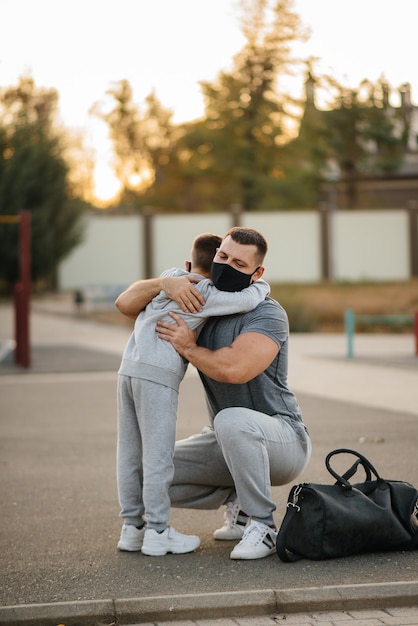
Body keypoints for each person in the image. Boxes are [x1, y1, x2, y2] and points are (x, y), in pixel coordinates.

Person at [115, 226, 311, 560]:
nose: (226, 265)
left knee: (232, 420)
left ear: (257, 273)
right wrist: (164, 283)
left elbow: (235, 369)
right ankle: (238, 501)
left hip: (282, 440)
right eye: (222, 256)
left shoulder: (267, 312)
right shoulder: (200, 302)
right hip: (226, 440)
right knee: (151, 468)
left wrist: (188, 348)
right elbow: (125, 303)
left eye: (238, 262)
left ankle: (261, 524)